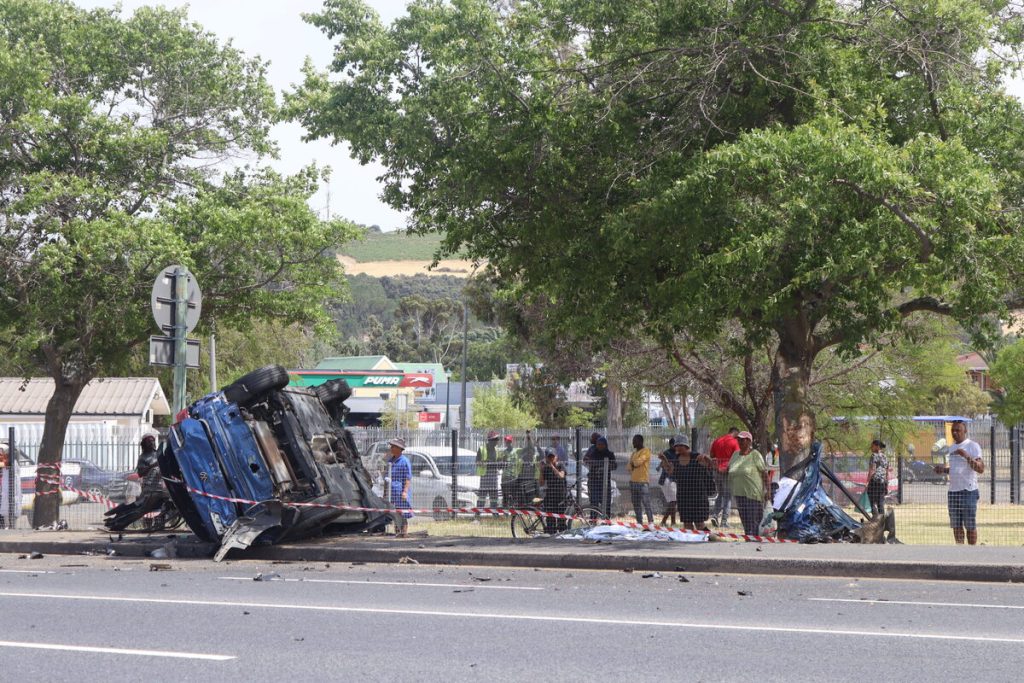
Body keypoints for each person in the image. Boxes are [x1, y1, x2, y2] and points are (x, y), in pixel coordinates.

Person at [934, 420, 984, 545]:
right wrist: (943, 470)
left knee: (970, 525)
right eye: (953, 431)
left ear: (965, 431)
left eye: (958, 430)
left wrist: (966, 455)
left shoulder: (972, 446)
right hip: (953, 492)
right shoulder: (951, 448)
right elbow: (956, 469)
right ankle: (960, 550)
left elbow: (980, 469)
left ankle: (971, 551)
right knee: (956, 525)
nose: (955, 433)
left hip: (968, 491)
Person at [727, 431, 769, 537]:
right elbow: (727, 470)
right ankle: (748, 541)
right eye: (739, 440)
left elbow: (765, 474)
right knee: (745, 521)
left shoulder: (755, 455)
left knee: (753, 521)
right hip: (739, 493)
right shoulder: (735, 455)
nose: (740, 442)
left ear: (749, 441)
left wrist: (768, 491)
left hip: (753, 494)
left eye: (743, 440)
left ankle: (755, 541)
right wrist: (712, 465)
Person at [669, 436, 716, 531]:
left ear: (686, 446)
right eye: (676, 445)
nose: (677, 447)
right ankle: (690, 543)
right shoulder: (676, 459)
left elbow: (712, 466)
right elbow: (671, 472)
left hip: (698, 496)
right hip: (683, 496)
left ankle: (706, 540)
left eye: (680, 445)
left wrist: (707, 458)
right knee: (687, 524)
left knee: (699, 523)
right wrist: (665, 461)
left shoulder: (697, 457)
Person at [709, 427, 739, 527]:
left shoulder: (717, 440)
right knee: (727, 497)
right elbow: (737, 456)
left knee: (720, 495)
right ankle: (724, 521)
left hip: (717, 471)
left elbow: (712, 454)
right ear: (735, 433)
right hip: (727, 471)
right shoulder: (734, 442)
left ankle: (715, 514)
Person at [584, 435, 617, 518]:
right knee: (594, 502)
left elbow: (614, 466)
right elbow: (586, 460)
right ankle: (593, 520)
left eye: (602, 444)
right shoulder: (593, 453)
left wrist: (605, 467)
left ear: (605, 445)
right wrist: (595, 464)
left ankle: (606, 521)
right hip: (594, 482)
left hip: (605, 483)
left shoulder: (609, 454)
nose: (600, 446)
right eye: (598, 444)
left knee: (606, 503)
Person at [537, 448, 568, 533]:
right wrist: (541, 470)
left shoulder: (560, 465)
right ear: (546, 458)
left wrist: (553, 467)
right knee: (550, 520)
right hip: (550, 497)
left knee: (561, 520)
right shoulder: (546, 468)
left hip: (561, 497)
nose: (551, 459)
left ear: (556, 457)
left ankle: (562, 536)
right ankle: (551, 535)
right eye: (549, 457)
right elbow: (541, 483)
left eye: (552, 457)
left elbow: (561, 476)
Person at [386, 437, 413, 537]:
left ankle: (404, 534)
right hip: (391, 492)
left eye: (393, 446)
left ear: (399, 448)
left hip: (400, 493)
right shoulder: (390, 460)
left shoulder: (404, 461)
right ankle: (397, 533)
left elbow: (408, 478)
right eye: (391, 446)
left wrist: (405, 492)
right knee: (395, 514)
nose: (391, 448)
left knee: (403, 514)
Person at [627, 434, 654, 526]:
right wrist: (633, 463)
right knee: (636, 504)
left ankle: (651, 522)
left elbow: (638, 462)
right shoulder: (634, 453)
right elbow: (629, 467)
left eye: (634, 441)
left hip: (643, 482)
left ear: (640, 441)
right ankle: (639, 522)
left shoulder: (646, 451)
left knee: (646, 503)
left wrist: (633, 463)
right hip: (633, 482)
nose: (633, 443)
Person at [475, 431, 502, 519]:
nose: (497, 441)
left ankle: (495, 515)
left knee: (494, 497)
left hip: (494, 477)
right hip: (485, 477)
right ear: (490, 440)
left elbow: (499, 462)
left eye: (497, 439)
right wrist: (485, 463)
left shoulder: (497, 450)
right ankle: (477, 515)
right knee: (482, 497)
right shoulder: (482, 449)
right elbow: (477, 462)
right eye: (496, 439)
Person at [0, 443, 22, 530]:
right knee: (6, 507)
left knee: (11, 506)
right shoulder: (10, 461)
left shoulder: (11, 462)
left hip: (12, 489)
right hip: (7, 489)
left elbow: (3, 463)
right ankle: (8, 525)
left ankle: (10, 525)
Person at [866, 439, 890, 517]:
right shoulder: (885, 457)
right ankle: (882, 520)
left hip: (874, 481)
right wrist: (887, 483)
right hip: (883, 482)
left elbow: (872, 469)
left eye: (872, 446)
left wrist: (867, 482)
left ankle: (875, 518)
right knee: (880, 502)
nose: (871, 448)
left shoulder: (874, 456)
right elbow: (887, 471)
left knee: (872, 500)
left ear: (877, 447)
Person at [657, 437, 678, 526]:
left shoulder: (676, 454)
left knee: (672, 502)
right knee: (673, 501)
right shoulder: (667, 453)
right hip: (667, 480)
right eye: (675, 445)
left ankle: (669, 522)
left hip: (672, 480)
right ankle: (666, 521)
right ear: (671, 445)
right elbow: (666, 466)